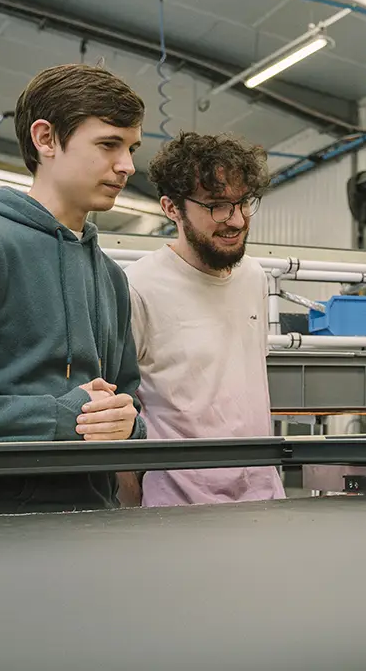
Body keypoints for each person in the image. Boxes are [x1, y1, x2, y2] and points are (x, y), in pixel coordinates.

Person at [0, 63, 147, 518]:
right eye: (108, 144)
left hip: (93, 528)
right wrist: (56, 417)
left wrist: (127, 423)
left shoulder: (112, 277)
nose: (127, 166)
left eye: (131, 148)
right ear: (46, 138)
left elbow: (128, 400)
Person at [121, 131, 284, 507]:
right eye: (217, 206)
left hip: (263, 498)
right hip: (179, 508)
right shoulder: (138, 286)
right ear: (171, 208)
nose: (236, 220)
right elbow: (120, 406)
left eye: (243, 202)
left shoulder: (253, 276)